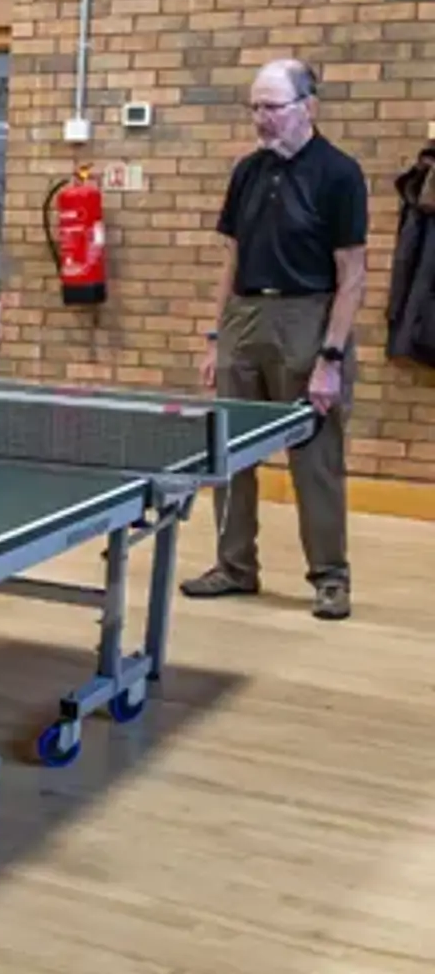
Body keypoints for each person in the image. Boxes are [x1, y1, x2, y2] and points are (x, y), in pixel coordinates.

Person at [183, 58, 366, 621]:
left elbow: (352, 273)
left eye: (272, 108)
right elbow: (232, 258)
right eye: (255, 108)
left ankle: (330, 577)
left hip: (307, 318)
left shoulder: (339, 173)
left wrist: (330, 358)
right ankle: (235, 566)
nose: (261, 120)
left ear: (307, 107)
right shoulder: (247, 171)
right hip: (245, 315)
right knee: (232, 449)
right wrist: (217, 336)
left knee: (314, 456)